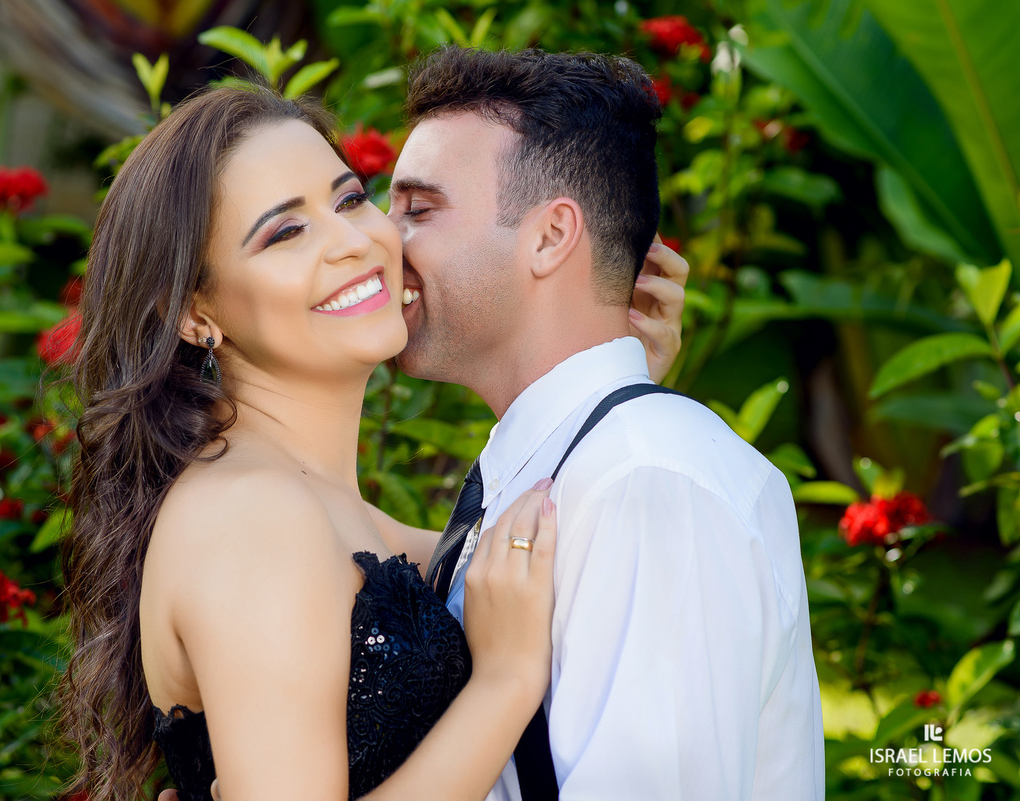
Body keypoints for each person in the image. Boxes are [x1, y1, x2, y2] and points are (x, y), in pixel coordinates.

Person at [55, 81, 685, 801]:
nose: (355, 242)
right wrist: (505, 683)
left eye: (351, 199)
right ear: (194, 313)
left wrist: (600, 378)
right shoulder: (249, 516)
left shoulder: (313, 511)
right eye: (286, 232)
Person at [375, 47, 825, 799]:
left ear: (551, 237)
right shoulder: (577, 464)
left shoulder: (648, 482)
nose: (381, 240)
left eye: (419, 209)